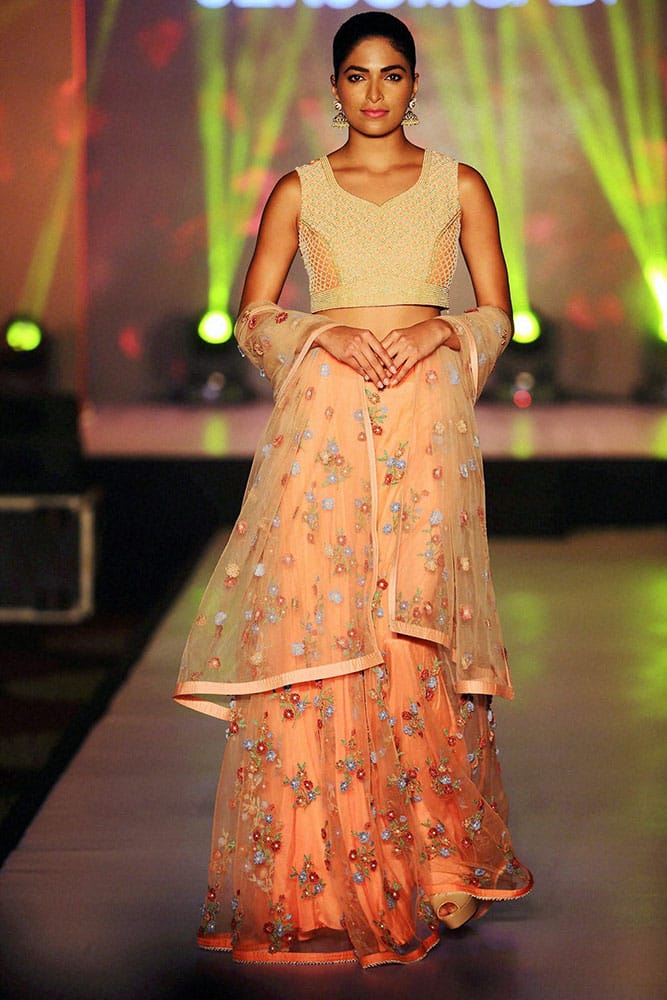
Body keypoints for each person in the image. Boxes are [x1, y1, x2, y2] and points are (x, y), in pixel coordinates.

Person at [174, 10, 533, 967]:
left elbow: (499, 311)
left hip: (423, 419)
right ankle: (326, 873)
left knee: (414, 625)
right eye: (357, 76)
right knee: (324, 630)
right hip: (325, 425)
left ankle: (442, 862)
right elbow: (252, 316)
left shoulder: (460, 185)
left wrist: (438, 332)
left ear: (416, 84)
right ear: (332, 87)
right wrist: (315, 333)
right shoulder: (300, 189)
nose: (374, 92)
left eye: (392, 74)